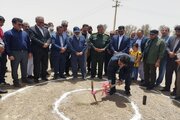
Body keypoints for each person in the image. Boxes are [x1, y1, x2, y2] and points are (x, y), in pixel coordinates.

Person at [4, 18, 32, 87]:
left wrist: (29, 52)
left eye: (21, 24)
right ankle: (16, 81)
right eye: (19, 24)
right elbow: (7, 45)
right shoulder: (8, 33)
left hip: (25, 53)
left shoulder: (25, 33)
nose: (20, 26)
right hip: (14, 53)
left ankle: (24, 79)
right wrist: (10, 54)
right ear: (13, 24)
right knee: (14, 68)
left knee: (24, 67)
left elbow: (28, 43)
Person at [29, 16, 51, 83]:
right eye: (40, 22)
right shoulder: (32, 29)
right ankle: (36, 78)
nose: (42, 23)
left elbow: (49, 38)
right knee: (37, 64)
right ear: (36, 21)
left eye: (43, 21)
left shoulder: (46, 29)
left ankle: (44, 76)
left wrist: (47, 43)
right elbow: (33, 38)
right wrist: (42, 44)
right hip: (37, 50)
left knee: (45, 64)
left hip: (45, 50)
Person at [161, 25, 180, 95]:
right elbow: (167, 46)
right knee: (168, 74)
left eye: (178, 31)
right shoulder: (171, 38)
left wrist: (175, 54)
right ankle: (167, 87)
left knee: (177, 76)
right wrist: (169, 52)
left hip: (177, 60)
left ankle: (175, 90)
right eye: (176, 31)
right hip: (169, 58)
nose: (177, 32)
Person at [0, 16, 9, 86]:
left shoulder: (1, 29)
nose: (3, 23)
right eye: (2, 21)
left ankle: (2, 80)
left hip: (3, 52)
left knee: (3, 67)